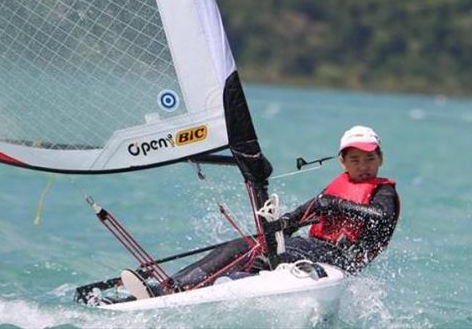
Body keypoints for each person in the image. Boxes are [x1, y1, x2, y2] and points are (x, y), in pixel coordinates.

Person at [120, 125, 400, 300]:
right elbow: (296, 218)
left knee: (276, 252)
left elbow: (382, 217)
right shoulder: (335, 190)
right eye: (355, 160)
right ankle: (170, 287)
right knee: (247, 244)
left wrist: (337, 205)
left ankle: (231, 283)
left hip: (341, 259)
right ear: (343, 162)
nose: (363, 165)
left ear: (381, 159)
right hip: (313, 249)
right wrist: (278, 223)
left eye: (370, 159)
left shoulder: (384, 192)